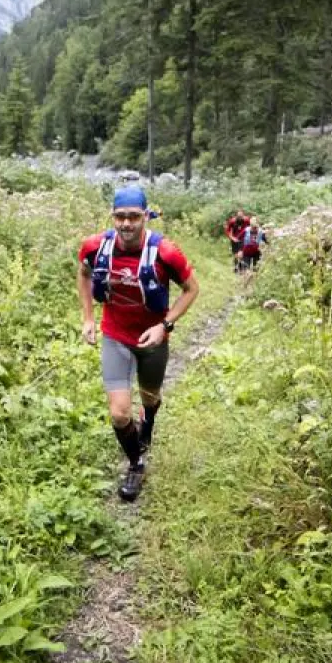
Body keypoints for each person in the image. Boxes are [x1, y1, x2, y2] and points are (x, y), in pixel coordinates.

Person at [77, 186, 200, 501]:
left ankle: (149, 420)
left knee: (150, 397)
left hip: (152, 339)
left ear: (146, 216)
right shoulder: (95, 247)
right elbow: (84, 274)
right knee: (119, 414)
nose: (126, 224)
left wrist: (165, 325)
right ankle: (136, 464)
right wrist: (88, 318)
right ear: (112, 216)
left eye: (134, 217)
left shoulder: (165, 252)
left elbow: (191, 289)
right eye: (120, 217)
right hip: (116, 336)